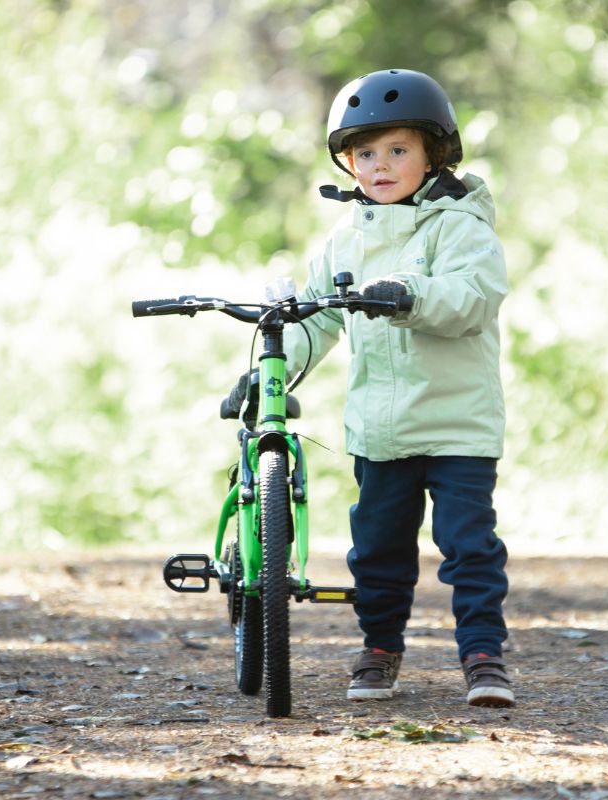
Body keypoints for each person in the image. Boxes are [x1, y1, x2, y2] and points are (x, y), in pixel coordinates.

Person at [229, 68, 514, 707]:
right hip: (380, 432)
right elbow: (315, 317)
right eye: (365, 153)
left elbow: (473, 298)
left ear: (434, 153)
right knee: (378, 553)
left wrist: (408, 296)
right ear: (347, 161)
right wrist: (268, 375)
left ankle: (483, 658)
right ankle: (379, 649)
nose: (380, 166)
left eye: (397, 150)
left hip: (456, 425)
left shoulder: (459, 225)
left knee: (470, 548)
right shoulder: (344, 240)